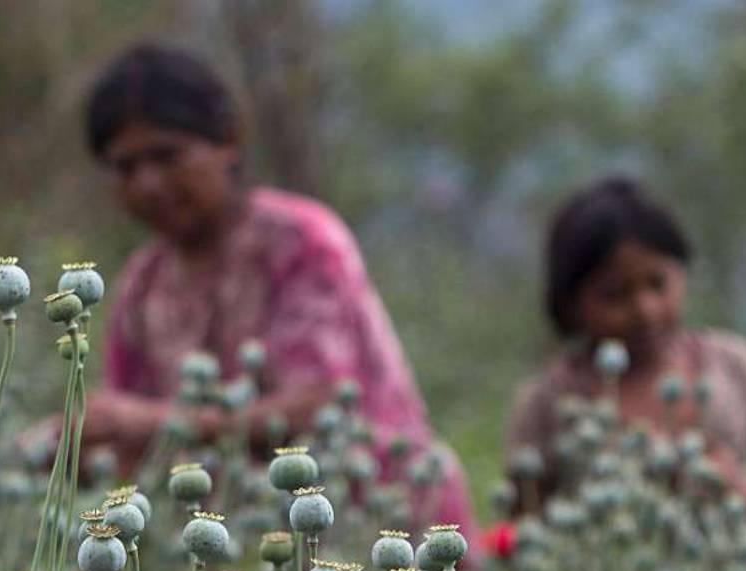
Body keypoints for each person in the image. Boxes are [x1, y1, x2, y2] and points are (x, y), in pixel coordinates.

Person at [56, 43, 477, 537]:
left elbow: (321, 404)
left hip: (381, 535)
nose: (148, 183)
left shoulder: (300, 241)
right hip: (238, 551)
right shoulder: (140, 286)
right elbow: (126, 440)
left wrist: (158, 424)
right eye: (126, 167)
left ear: (229, 141)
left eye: (166, 156)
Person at [506, 177, 746, 515]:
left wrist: (741, 491)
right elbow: (523, 527)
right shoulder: (550, 401)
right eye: (615, 294)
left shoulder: (732, 365)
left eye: (657, 284)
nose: (645, 310)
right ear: (570, 304)